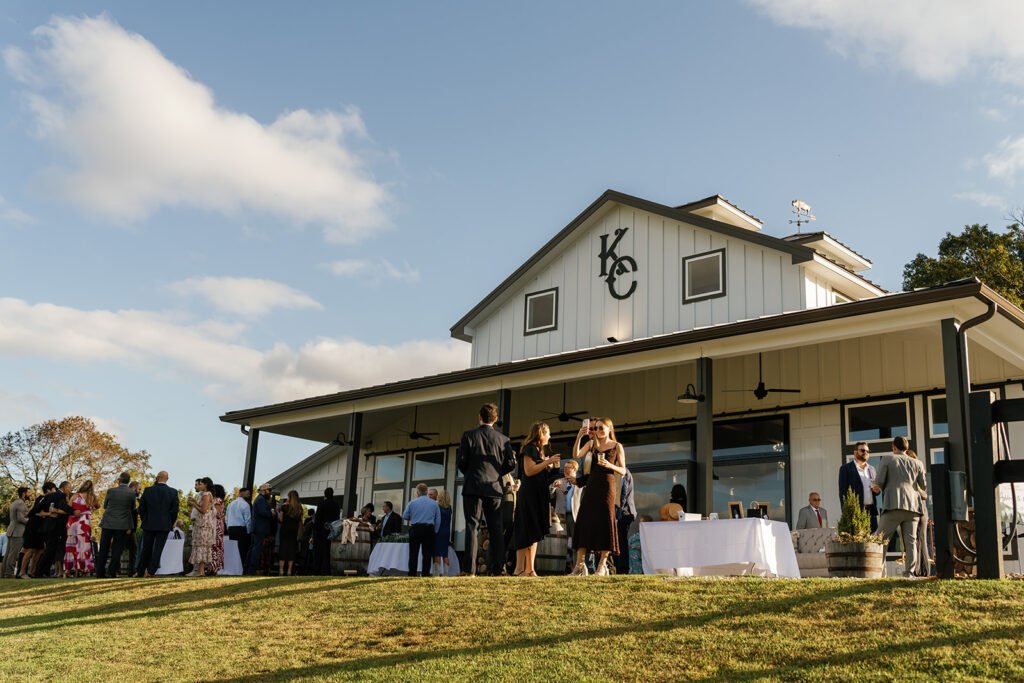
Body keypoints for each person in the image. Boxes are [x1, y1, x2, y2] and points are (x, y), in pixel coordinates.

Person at [458, 402, 517, 576]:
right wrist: (497, 473)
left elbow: (461, 461)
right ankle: (498, 568)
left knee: (472, 527)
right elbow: (511, 464)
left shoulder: (468, 435)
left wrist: (470, 472)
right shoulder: (503, 439)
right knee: (496, 528)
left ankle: (469, 570)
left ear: (479, 417)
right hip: (494, 487)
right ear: (495, 419)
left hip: (473, 485)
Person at [571, 417, 627, 576]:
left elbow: (623, 470)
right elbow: (576, 454)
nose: (598, 431)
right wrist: (579, 436)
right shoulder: (591, 444)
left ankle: (602, 565)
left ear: (609, 429)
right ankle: (579, 565)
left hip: (607, 486)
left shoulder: (616, 446)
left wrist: (610, 465)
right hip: (592, 486)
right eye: (596, 428)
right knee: (584, 520)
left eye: (601, 428)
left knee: (605, 522)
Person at [872, 436, 927, 578]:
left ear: (894, 447)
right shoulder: (918, 463)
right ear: (907, 448)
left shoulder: (887, 459)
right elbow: (923, 485)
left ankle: (878, 572)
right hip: (913, 507)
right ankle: (909, 573)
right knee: (911, 541)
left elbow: (879, 482)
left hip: (893, 504)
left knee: (880, 539)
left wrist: (876, 486)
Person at [513, 421, 560, 577]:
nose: (550, 436)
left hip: (539, 495)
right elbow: (529, 471)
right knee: (525, 529)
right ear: (541, 434)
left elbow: (541, 474)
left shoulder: (540, 452)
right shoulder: (529, 448)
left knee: (534, 531)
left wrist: (551, 467)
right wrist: (547, 462)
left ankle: (530, 569)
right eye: (548, 433)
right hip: (529, 496)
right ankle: (519, 568)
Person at [137, 471, 179, 577]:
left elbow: (141, 508)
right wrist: (170, 522)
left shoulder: (148, 490)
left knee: (146, 548)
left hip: (149, 523)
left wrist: (144, 519)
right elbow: (174, 511)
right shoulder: (173, 492)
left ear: (157, 477)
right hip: (164, 524)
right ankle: (151, 571)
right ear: (167, 479)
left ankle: (141, 571)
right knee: (158, 549)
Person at [96, 472, 137, 578]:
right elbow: (133, 508)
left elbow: (105, 506)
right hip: (122, 524)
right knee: (117, 549)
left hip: (108, 523)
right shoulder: (132, 493)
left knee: (104, 548)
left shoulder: (111, 491)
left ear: (119, 480)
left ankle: (99, 572)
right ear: (128, 481)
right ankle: (111, 572)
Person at [34, 481, 74, 578]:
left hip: (47, 525)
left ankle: (43, 571)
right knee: (50, 549)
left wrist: (47, 512)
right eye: (69, 487)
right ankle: (39, 572)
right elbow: (63, 506)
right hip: (55, 526)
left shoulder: (48, 496)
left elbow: (38, 508)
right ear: (64, 487)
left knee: (50, 549)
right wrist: (73, 511)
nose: (70, 489)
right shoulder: (60, 495)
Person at [839, 441, 878, 532]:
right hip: (855, 511)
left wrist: (877, 491)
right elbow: (843, 492)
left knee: (873, 539)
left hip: (871, 512)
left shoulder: (872, 469)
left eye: (867, 451)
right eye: (863, 450)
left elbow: (876, 489)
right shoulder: (846, 469)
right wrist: (846, 512)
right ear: (855, 452)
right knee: (857, 539)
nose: (866, 453)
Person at [402, 483, 440, 577]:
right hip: (429, 529)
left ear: (417, 492)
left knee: (413, 553)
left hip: (415, 528)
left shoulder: (412, 503)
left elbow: (405, 516)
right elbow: (438, 520)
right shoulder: (434, 504)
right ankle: (425, 574)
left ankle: (412, 573)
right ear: (426, 492)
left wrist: (414, 517)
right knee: (427, 554)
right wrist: (435, 531)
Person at [905, 449, 932, 577]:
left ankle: (921, 571)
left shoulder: (916, 476)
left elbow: (924, 494)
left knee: (920, 540)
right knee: (915, 541)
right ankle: (919, 571)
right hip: (915, 511)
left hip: (919, 511)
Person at [64, 480, 98, 578]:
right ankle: (82, 568)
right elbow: (98, 506)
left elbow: (68, 508)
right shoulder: (92, 497)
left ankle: (69, 569)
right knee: (83, 544)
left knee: (71, 544)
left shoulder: (74, 496)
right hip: (84, 522)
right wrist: (90, 509)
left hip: (73, 521)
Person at [22, 483, 55, 578]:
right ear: (48, 490)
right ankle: (22, 572)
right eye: (53, 489)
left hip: (41, 527)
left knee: (40, 550)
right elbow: (38, 511)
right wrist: (50, 514)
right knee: (30, 549)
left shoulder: (48, 499)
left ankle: (32, 571)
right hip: (33, 526)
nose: (55, 491)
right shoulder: (42, 498)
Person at [187, 477, 215, 577]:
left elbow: (203, 510)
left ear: (205, 485)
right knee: (199, 546)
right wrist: (195, 501)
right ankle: (198, 570)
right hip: (200, 523)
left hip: (204, 524)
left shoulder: (207, 495)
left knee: (202, 546)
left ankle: (201, 571)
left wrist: (193, 504)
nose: (199, 485)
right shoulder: (204, 495)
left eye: (201, 484)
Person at [3, 487, 30, 579]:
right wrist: (31, 521)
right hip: (17, 531)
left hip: (11, 530)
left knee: (8, 553)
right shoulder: (21, 503)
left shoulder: (14, 502)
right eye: (28, 492)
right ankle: (9, 573)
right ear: (23, 493)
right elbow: (20, 518)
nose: (29, 494)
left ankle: (4, 573)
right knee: (13, 554)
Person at [313, 487, 341, 575]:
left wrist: (315, 532)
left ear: (325, 494)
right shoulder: (336, 505)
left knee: (319, 552)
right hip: (331, 531)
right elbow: (337, 519)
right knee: (329, 552)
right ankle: (327, 570)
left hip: (321, 531)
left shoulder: (321, 504)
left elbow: (318, 519)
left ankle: (318, 570)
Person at [247, 483, 274, 574]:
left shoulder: (259, 499)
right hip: (259, 528)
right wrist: (271, 513)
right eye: (269, 490)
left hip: (257, 528)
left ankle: (249, 569)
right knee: (256, 550)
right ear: (264, 491)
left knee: (253, 549)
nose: (270, 492)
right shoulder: (261, 499)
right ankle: (252, 570)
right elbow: (263, 512)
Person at [615, 469, 637, 574]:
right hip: (625, 512)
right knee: (620, 540)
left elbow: (622, 495)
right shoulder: (625, 472)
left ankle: (622, 568)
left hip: (624, 512)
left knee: (621, 541)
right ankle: (621, 568)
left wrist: (617, 513)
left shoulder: (623, 472)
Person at [277, 490, 303, 576]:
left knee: (283, 548)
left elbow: (281, 519)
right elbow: (300, 520)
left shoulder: (284, 507)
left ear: (290, 497)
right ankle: (289, 570)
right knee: (292, 549)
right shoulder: (299, 508)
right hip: (294, 530)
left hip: (285, 529)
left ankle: (281, 570)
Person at [226, 486, 252, 570]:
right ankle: (240, 568)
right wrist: (248, 531)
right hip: (241, 529)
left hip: (231, 528)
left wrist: (228, 527)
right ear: (241, 493)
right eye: (247, 494)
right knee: (241, 549)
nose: (249, 495)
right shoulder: (245, 504)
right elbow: (248, 520)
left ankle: (233, 567)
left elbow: (226, 518)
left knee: (233, 549)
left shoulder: (230, 504)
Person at [432, 490, 453, 577]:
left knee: (437, 553)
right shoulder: (450, 508)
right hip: (447, 532)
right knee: (445, 554)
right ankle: (446, 573)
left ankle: (436, 573)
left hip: (439, 531)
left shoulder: (437, 506)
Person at [208, 484, 227, 575]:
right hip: (215, 524)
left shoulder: (218, 500)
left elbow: (217, 513)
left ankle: (214, 567)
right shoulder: (214, 500)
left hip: (216, 525)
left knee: (215, 545)